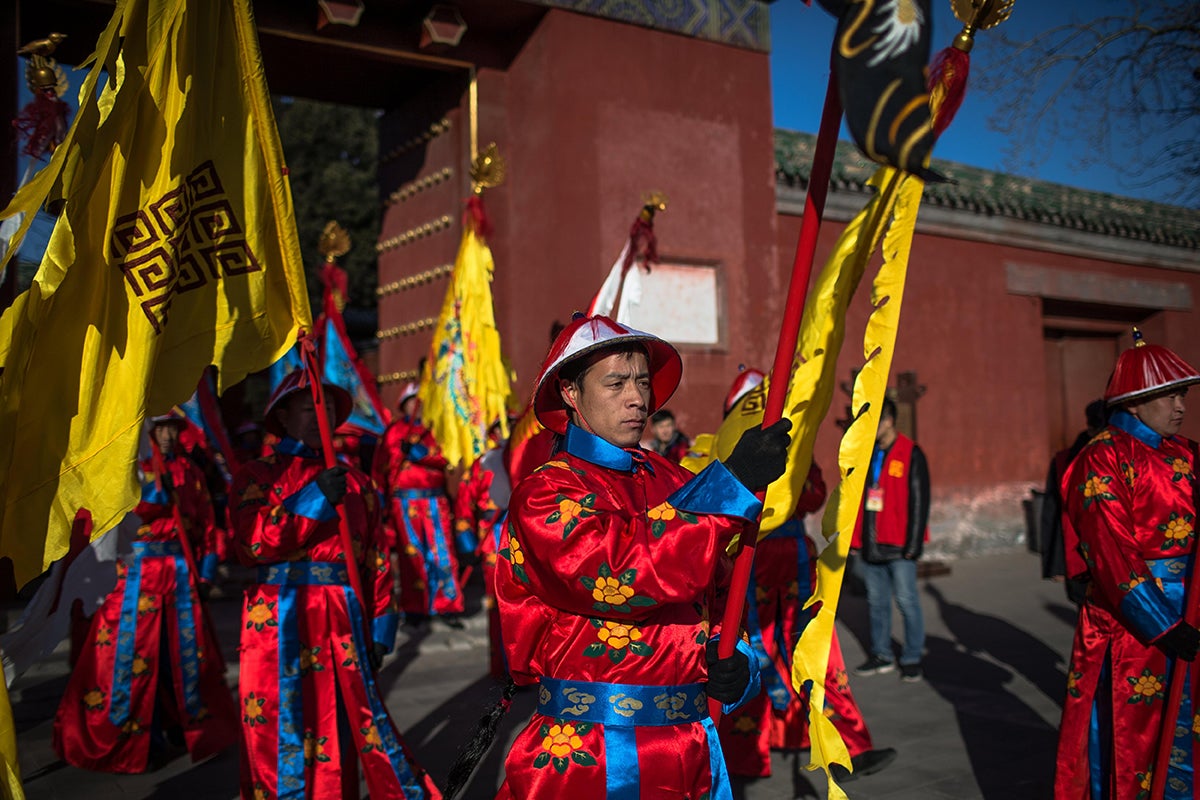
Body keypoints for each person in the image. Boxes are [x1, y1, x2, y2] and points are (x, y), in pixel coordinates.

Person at [489, 313, 792, 799]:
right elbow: (622, 576)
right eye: (616, 383)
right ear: (570, 392)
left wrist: (734, 658)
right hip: (595, 754)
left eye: (643, 382)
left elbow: (717, 588)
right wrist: (729, 486)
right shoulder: (544, 493)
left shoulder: (674, 480)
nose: (638, 399)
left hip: (691, 746)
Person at [230, 370, 439, 799]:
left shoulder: (358, 483)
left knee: (345, 721)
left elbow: (376, 560)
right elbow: (253, 544)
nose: (317, 419)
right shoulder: (257, 476)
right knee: (279, 721)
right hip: (278, 614)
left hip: (341, 616)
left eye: (325, 411)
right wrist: (313, 500)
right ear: (283, 416)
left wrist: (382, 627)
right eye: (308, 409)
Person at [714, 369, 896, 784]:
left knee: (799, 649)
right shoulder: (729, 454)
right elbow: (811, 495)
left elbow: (813, 495)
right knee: (768, 652)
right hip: (755, 557)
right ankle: (765, 751)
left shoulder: (788, 450)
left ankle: (823, 747)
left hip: (774, 556)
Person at [1054, 331, 1200, 799]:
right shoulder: (1102, 457)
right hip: (1133, 623)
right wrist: (1163, 623)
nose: (1180, 405)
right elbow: (1111, 552)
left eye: (1183, 394)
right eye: (1168, 395)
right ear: (1135, 403)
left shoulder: (1187, 453)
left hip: (1192, 608)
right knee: (1132, 740)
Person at [54, 412, 237, 773]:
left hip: (180, 579)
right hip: (133, 579)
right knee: (129, 663)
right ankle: (135, 738)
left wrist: (207, 569)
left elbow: (208, 525)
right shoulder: (128, 472)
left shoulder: (189, 473)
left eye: (173, 428)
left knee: (181, 659)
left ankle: (183, 728)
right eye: (160, 428)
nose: (168, 436)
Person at [373, 382, 464, 628]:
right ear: (404, 405)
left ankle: (447, 605)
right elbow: (380, 466)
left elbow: (447, 457)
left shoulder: (436, 429)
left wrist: (421, 453)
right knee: (411, 554)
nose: (417, 404)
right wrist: (380, 498)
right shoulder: (393, 431)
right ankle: (415, 607)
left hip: (435, 499)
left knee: (442, 552)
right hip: (404, 501)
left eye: (420, 400)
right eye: (412, 401)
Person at [852, 397, 930, 682]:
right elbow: (859, 499)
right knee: (877, 603)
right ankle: (881, 654)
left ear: (888, 421)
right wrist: (857, 541)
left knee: (907, 602)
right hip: (872, 542)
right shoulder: (868, 454)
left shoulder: (912, 453)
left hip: (900, 545)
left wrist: (914, 545)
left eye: (875, 421)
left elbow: (920, 501)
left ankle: (911, 657)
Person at [1040, 399, 1107, 605]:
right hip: (1081, 556)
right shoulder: (1064, 462)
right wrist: (1056, 564)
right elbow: (1053, 513)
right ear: (1091, 429)